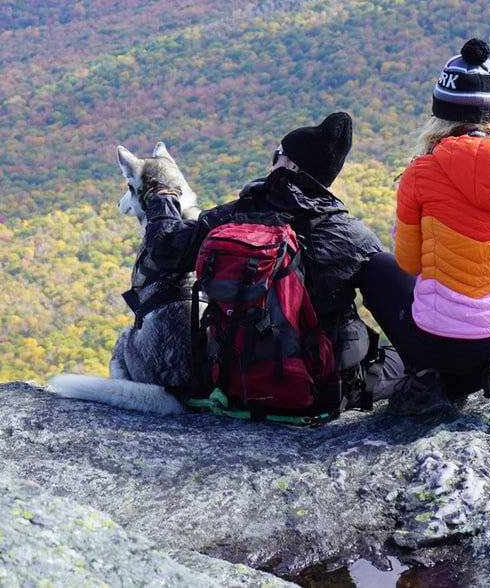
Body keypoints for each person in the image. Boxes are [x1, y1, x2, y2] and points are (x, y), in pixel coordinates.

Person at [135, 111, 390, 410]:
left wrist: (162, 197)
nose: (273, 161)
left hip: (233, 381)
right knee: (396, 359)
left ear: (292, 165)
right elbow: (392, 303)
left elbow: (165, 247)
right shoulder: (354, 236)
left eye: (277, 155)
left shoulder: (234, 217)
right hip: (322, 390)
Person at [362, 38, 490, 427]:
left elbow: (409, 262)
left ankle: (427, 385)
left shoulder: (423, 173)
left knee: (376, 268)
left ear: (440, 116)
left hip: (444, 346)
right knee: (476, 322)